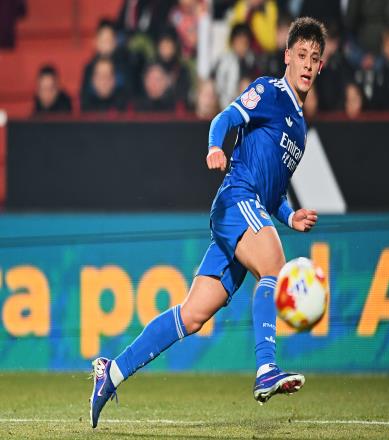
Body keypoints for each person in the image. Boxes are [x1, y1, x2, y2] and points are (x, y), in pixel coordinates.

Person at [89, 16, 325, 428]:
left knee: (192, 316)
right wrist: (216, 146)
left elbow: (273, 192)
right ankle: (266, 367)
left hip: (249, 209)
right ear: (287, 56)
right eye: (301, 54)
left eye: (314, 57)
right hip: (236, 200)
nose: (307, 63)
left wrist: (290, 215)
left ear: (321, 66)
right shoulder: (270, 92)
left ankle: (112, 372)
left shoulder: (300, 129)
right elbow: (224, 119)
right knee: (274, 267)